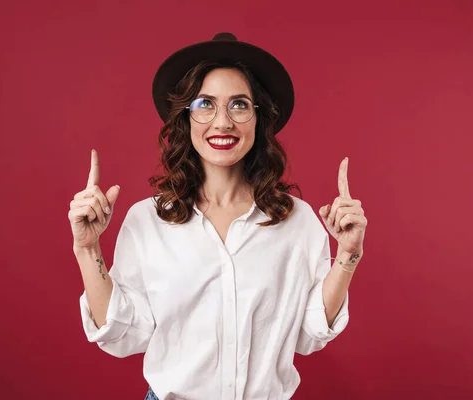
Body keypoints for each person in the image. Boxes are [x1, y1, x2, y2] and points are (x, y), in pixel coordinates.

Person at [68, 32, 368, 400]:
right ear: (186, 118)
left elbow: (309, 333)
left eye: (239, 105)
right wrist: (87, 248)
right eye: (205, 104)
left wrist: (349, 256)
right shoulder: (148, 221)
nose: (222, 122)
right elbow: (123, 332)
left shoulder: (299, 222)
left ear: (258, 119)